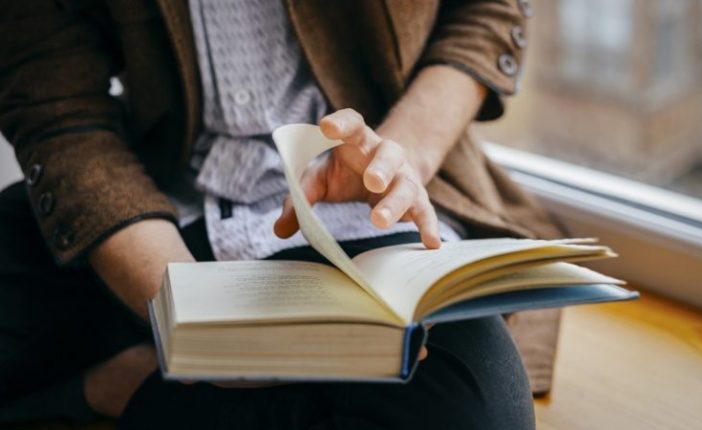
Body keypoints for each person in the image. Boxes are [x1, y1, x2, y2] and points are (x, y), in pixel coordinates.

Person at [0, 0, 558, 428]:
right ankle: (155, 385)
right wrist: (189, 315)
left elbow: (487, 8)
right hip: (157, 208)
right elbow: (59, 110)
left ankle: (144, 386)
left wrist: (397, 156)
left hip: (367, 212)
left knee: (472, 409)